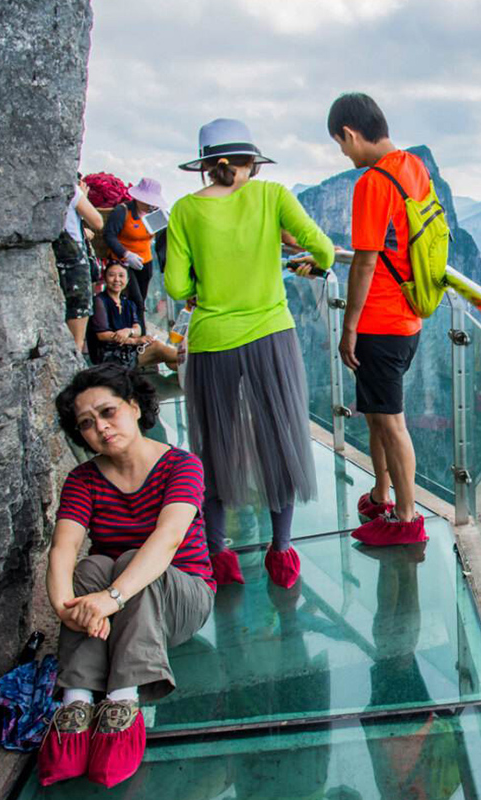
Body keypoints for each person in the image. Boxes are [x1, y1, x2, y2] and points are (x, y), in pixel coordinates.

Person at [165, 118, 334, 588]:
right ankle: (280, 555)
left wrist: (204, 284)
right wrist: (302, 260)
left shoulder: (183, 211)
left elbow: (176, 285)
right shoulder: (272, 196)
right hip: (271, 335)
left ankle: (218, 557)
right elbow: (321, 248)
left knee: (215, 445)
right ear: (251, 162)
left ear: (204, 167)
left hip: (214, 340)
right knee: (279, 440)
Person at [38, 365, 214, 788]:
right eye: (86, 423)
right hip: (112, 604)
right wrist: (66, 610)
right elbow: (63, 547)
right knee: (92, 566)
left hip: (180, 600)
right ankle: (77, 703)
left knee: (132, 558)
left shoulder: (181, 465)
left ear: (135, 407)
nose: (100, 427)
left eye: (108, 411)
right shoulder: (83, 480)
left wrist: (110, 600)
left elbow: (169, 539)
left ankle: (122, 701)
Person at [327, 92, 428, 546]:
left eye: (340, 144)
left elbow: (365, 261)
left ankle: (407, 520)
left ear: (350, 133)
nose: (344, 154)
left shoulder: (372, 182)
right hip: (409, 317)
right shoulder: (413, 167)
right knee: (376, 414)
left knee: (390, 421)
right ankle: (382, 494)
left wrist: (349, 326)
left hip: (380, 321)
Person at [87, 260, 180, 371]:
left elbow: (138, 329)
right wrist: (134, 341)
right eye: (112, 275)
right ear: (105, 277)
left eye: (121, 276)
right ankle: (195, 362)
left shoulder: (128, 303)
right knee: (159, 348)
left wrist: (129, 331)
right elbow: (103, 335)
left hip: (128, 352)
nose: (117, 279)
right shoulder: (99, 301)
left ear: (127, 280)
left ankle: (194, 376)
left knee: (174, 362)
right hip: (111, 357)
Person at [104, 177, 167, 334]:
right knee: (135, 299)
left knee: (142, 299)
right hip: (123, 262)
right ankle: (139, 333)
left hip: (145, 261)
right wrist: (126, 254)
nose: (149, 204)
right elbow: (109, 235)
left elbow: (162, 239)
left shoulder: (155, 214)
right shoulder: (122, 212)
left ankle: (137, 329)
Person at [53, 176, 104, 351]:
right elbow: (97, 221)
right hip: (74, 261)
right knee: (77, 333)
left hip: (55, 259)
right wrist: (83, 196)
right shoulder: (70, 189)